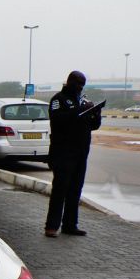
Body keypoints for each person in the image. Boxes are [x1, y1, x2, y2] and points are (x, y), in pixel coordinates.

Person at [44, 71, 102, 237]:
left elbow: (93, 125)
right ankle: (51, 226)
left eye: (82, 84)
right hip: (63, 152)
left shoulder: (83, 100)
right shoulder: (58, 99)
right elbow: (58, 119)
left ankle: (70, 225)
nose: (80, 87)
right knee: (60, 190)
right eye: (77, 83)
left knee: (75, 189)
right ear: (69, 81)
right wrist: (79, 110)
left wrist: (95, 113)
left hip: (81, 152)